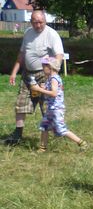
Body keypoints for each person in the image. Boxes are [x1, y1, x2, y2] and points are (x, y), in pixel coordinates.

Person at [5, 10, 64, 145]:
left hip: (45, 76)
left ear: (45, 21)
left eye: (40, 22)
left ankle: (52, 135)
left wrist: (53, 75)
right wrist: (14, 72)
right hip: (27, 74)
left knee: (46, 107)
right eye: (35, 22)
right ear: (31, 22)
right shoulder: (28, 33)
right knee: (21, 104)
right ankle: (17, 135)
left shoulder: (52, 34)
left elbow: (59, 55)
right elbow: (22, 54)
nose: (37, 25)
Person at [30, 56, 87, 152]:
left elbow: (54, 93)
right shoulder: (50, 78)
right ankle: (42, 147)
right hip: (51, 108)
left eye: (43, 66)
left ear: (50, 67)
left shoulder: (54, 79)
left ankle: (81, 143)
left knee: (61, 129)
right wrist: (43, 88)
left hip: (56, 109)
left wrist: (39, 89)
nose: (42, 69)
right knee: (44, 126)